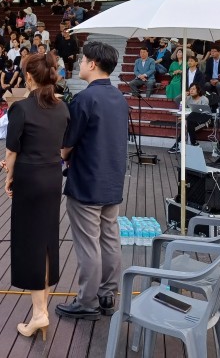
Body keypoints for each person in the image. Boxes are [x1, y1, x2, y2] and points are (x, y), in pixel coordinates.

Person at [56, 41, 128, 320]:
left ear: (93, 64)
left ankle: (87, 302)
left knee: (88, 244)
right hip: (112, 180)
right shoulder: (119, 97)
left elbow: (67, 144)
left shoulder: (85, 99)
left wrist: (61, 155)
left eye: (83, 60)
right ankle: (107, 296)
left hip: (87, 181)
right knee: (110, 239)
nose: (80, 64)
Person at [0, 53, 70, 340]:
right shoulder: (63, 107)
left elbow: (12, 150)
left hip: (29, 180)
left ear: (28, 77)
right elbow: (60, 145)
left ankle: (40, 313)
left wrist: (9, 175)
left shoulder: (21, 108)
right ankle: (41, 310)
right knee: (47, 242)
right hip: (52, 177)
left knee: (30, 244)